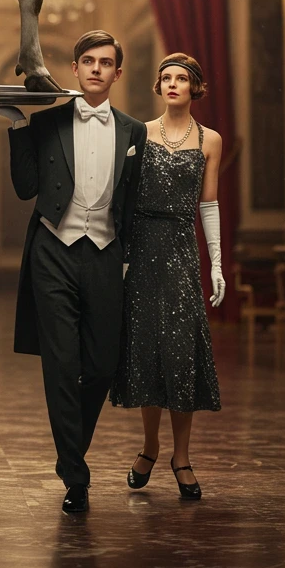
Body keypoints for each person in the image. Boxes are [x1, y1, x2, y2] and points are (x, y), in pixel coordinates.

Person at [0, 30, 147, 513]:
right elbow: (24, 188)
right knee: (62, 363)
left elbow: (134, 201)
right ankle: (75, 474)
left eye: (105, 63)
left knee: (100, 364)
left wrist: (127, 260)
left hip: (103, 251)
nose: (96, 69)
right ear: (74, 70)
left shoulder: (134, 132)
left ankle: (72, 450)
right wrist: (17, 129)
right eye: (87, 61)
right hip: (53, 250)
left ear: (118, 73)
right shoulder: (47, 122)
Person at [110, 52, 225, 500]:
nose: (173, 84)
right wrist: (120, 257)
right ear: (158, 87)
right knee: (146, 351)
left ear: (195, 88)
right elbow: (121, 198)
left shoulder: (210, 140)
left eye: (182, 78)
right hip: (141, 249)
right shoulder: (138, 134)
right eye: (167, 78)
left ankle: (182, 455)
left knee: (179, 352)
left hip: (180, 250)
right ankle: (149, 446)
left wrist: (216, 262)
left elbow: (208, 204)